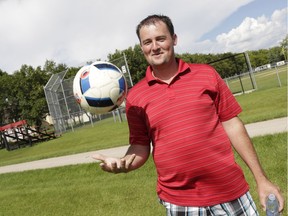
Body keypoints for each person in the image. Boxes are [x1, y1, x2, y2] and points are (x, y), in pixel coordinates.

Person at [93, 14, 284, 215]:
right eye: (147, 42)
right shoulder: (136, 96)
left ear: (174, 39)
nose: (155, 47)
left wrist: (262, 180)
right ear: (141, 48)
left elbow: (233, 125)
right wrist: (125, 162)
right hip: (180, 201)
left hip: (229, 190)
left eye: (161, 39)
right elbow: (140, 145)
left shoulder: (206, 74)